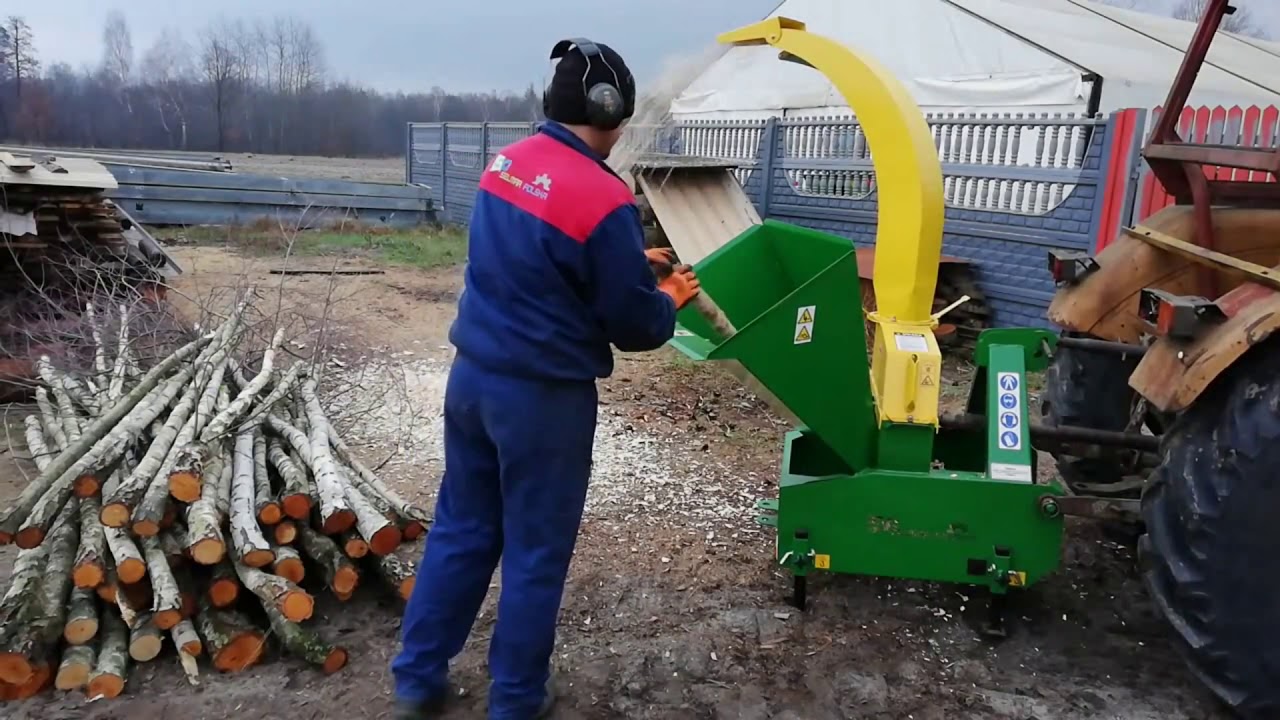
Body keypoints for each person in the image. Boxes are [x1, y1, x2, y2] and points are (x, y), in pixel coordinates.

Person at [391, 38, 701, 720]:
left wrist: (624, 254)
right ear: (608, 108)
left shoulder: (506, 165)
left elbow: (534, 256)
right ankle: (516, 701)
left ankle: (415, 680)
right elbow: (635, 326)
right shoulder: (604, 198)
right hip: (542, 403)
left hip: (472, 382)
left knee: (462, 530)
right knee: (534, 553)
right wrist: (669, 296)